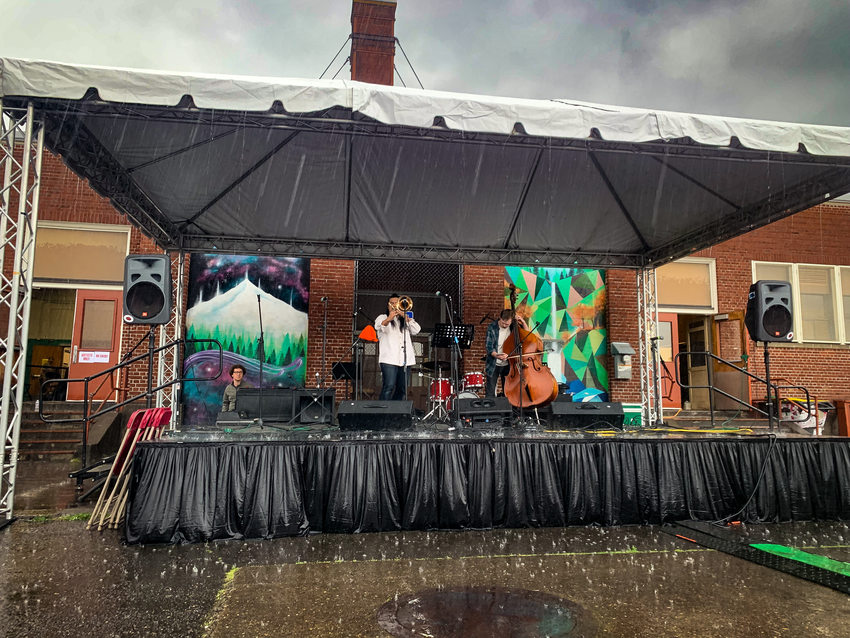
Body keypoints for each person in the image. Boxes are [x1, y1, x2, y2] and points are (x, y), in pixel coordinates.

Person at [374, 294, 421, 400]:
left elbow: (416, 330)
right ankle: (383, 414)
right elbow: (379, 326)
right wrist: (390, 318)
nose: (395, 305)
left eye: (397, 303)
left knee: (402, 389)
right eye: (392, 303)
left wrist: (406, 317)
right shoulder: (382, 317)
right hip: (389, 359)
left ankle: (396, 414)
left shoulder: (405, 320)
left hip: (405, 360)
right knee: (388, 387)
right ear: (388, 305)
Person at [484, 309, 528, 398]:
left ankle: (508, 411)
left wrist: (523, 322)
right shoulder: (492, 327)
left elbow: (526, 334)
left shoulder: (513, 327)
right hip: (494, 363)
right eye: (503, 323)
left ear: (511, 321)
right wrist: (497, 355)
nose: (504, 325)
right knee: (490, 392)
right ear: (500, 318)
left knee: (508, 392)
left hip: (509, 364)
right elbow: (489, 347)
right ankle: (490, 411)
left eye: (507, 324)